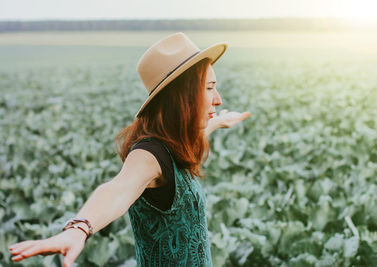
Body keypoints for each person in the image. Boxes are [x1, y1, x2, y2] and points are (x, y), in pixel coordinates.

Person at [8, 32, 250, 267]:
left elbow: (195, 137)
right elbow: (118, 189)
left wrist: (218, 122)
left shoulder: (177, 144)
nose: (218, 99)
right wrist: (79, 228)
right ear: (181, 95)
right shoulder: (149, 154)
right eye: (209, 88)